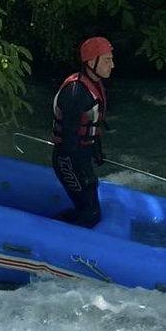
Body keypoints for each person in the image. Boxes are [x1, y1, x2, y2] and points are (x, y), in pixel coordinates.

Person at [51, 36, 114, 227]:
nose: (112, 65)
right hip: (68, 159)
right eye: (106, 60)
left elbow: (92, 126)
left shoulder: (94, 85)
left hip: (80, 155)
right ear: (90, 62)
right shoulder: (76, 93)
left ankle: (63, 225)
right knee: (90, 214)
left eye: (111, 59)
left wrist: (95, 150)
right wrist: (85, 171)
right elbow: (70, 141)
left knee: (89, 208)